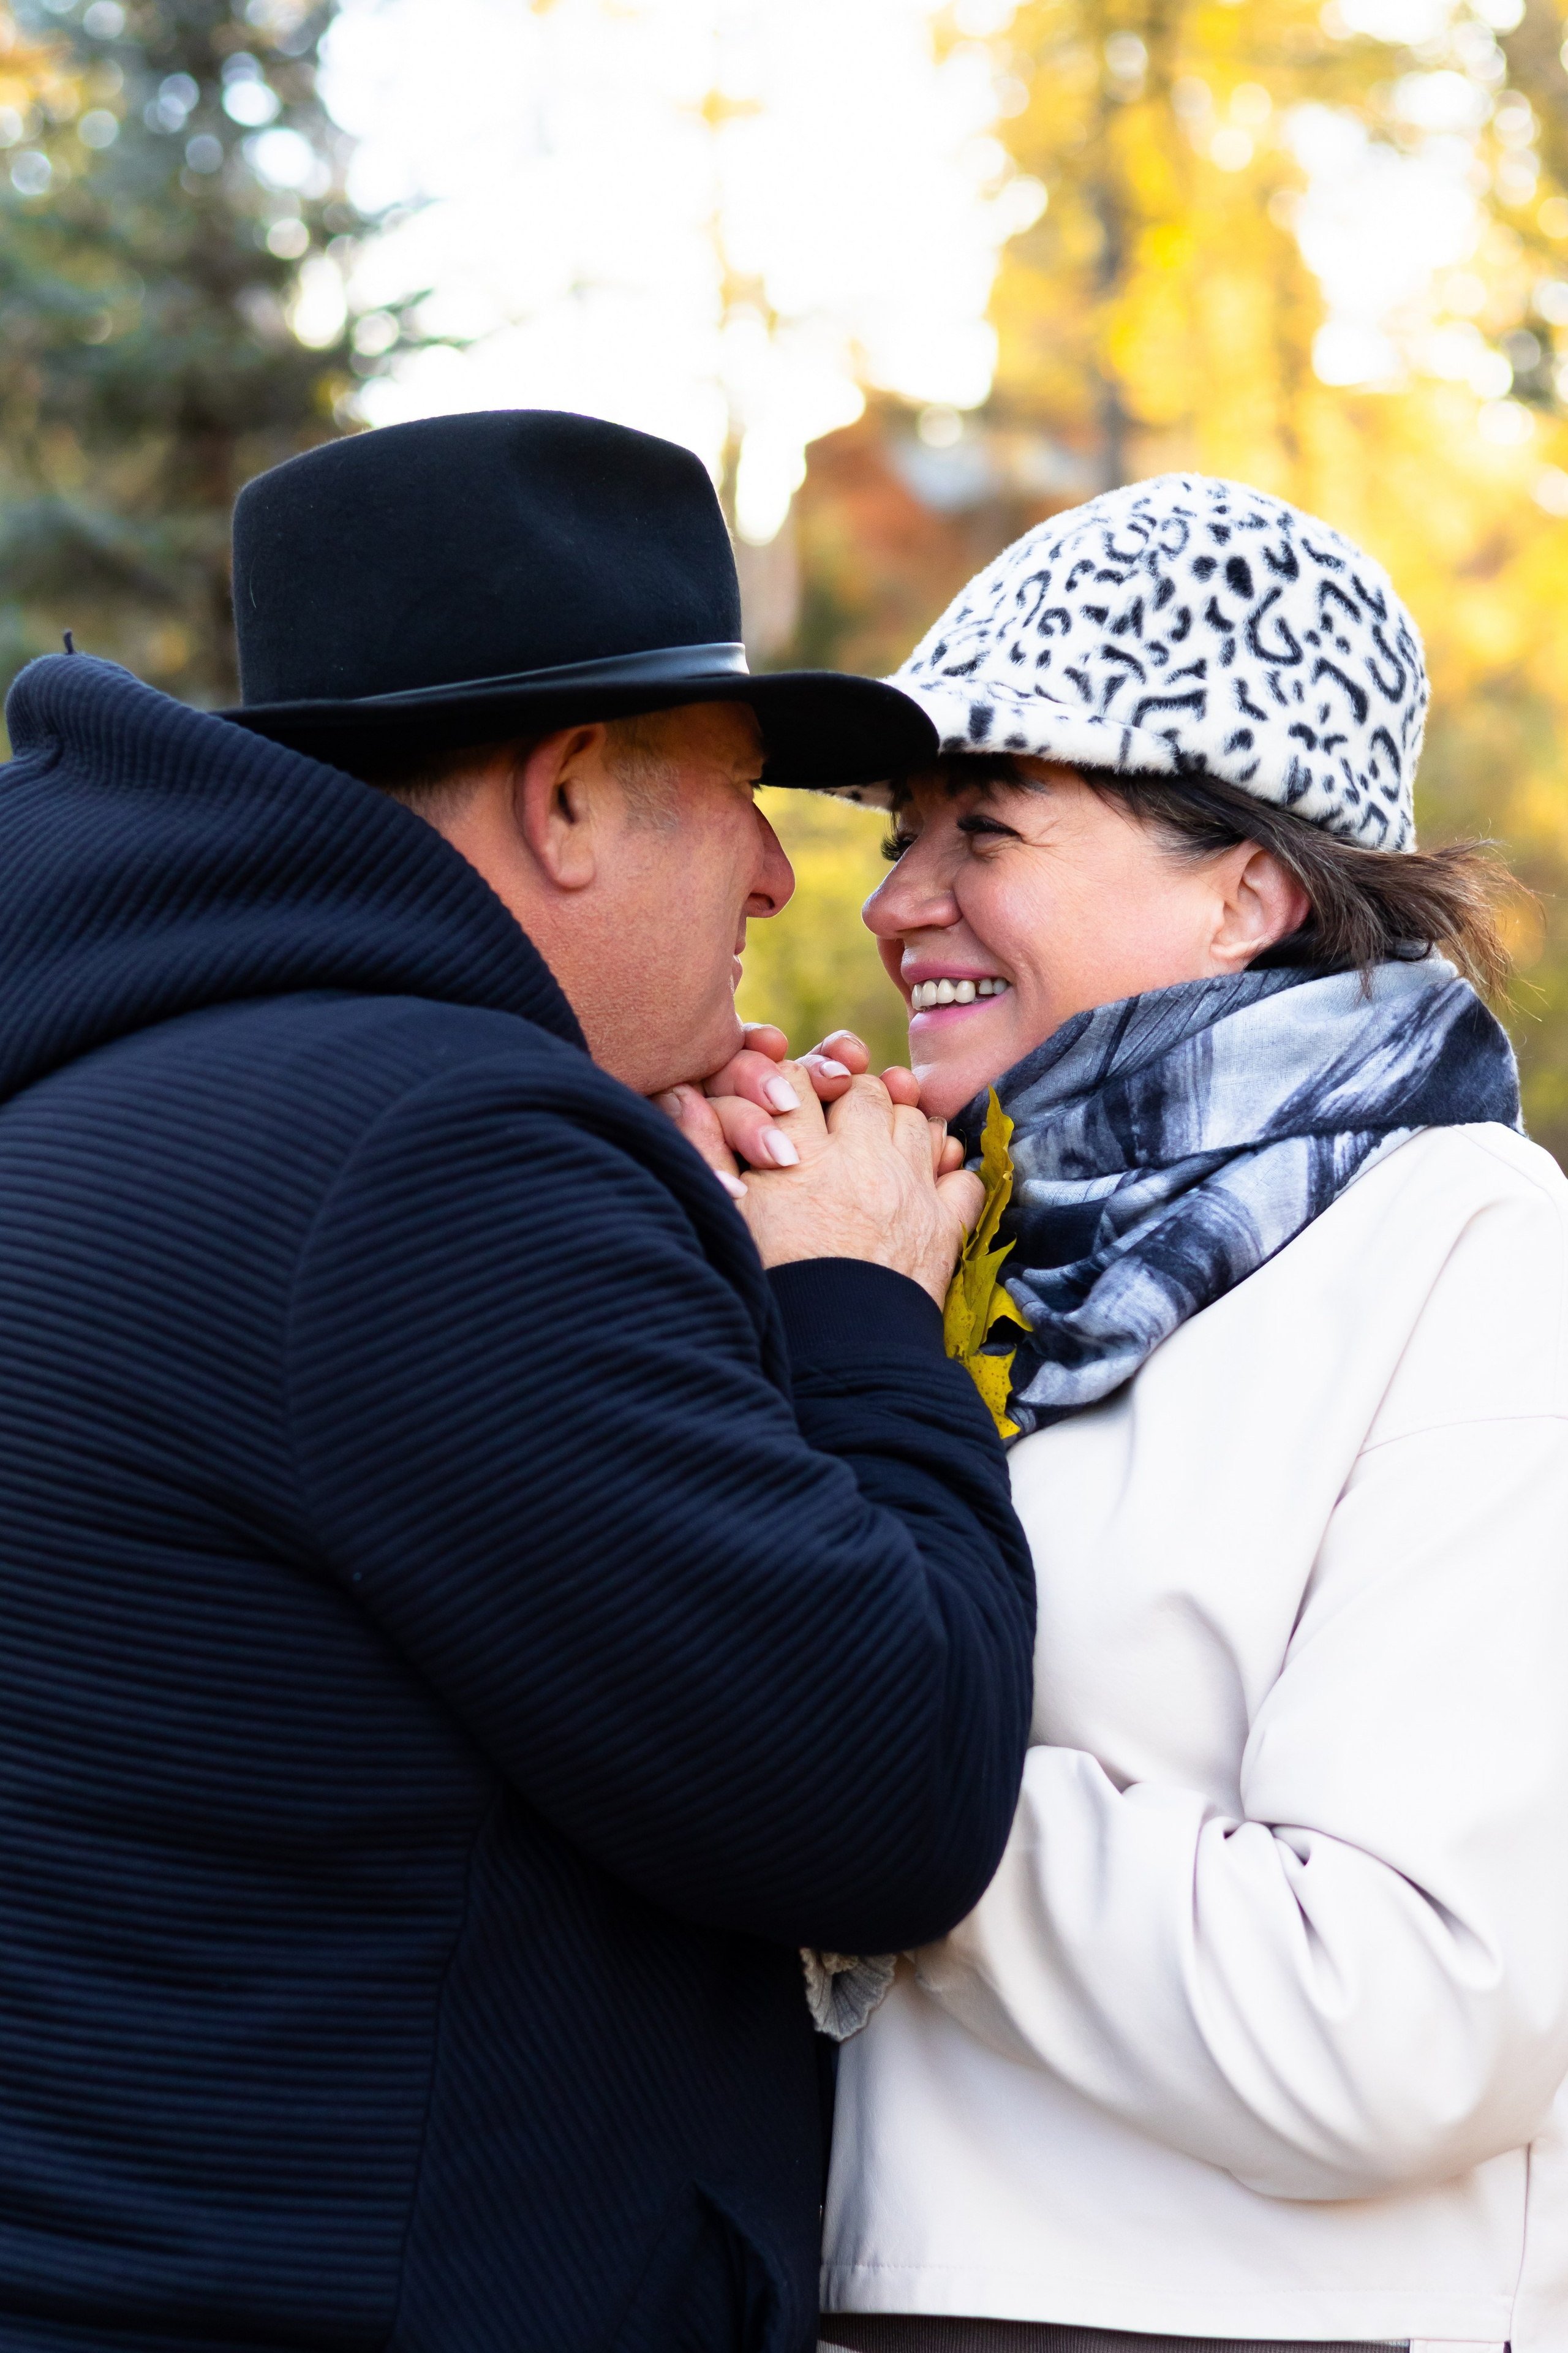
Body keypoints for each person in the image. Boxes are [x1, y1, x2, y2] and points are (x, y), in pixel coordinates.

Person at [0, 409, 1038, 2353]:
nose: (770, 880)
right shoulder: (436, 1156)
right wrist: (857, 1302)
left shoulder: (118, 1086)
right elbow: (888, 1790)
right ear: (566, 800)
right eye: (736, 792)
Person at [799, 474, 1568, 2353]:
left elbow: (1409, 2015)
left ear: (1250, 888)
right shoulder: (935, 1240)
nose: (901, 903)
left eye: (985, 827)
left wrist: (877, 1788)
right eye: (904, 834)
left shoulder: (1464, 1256)